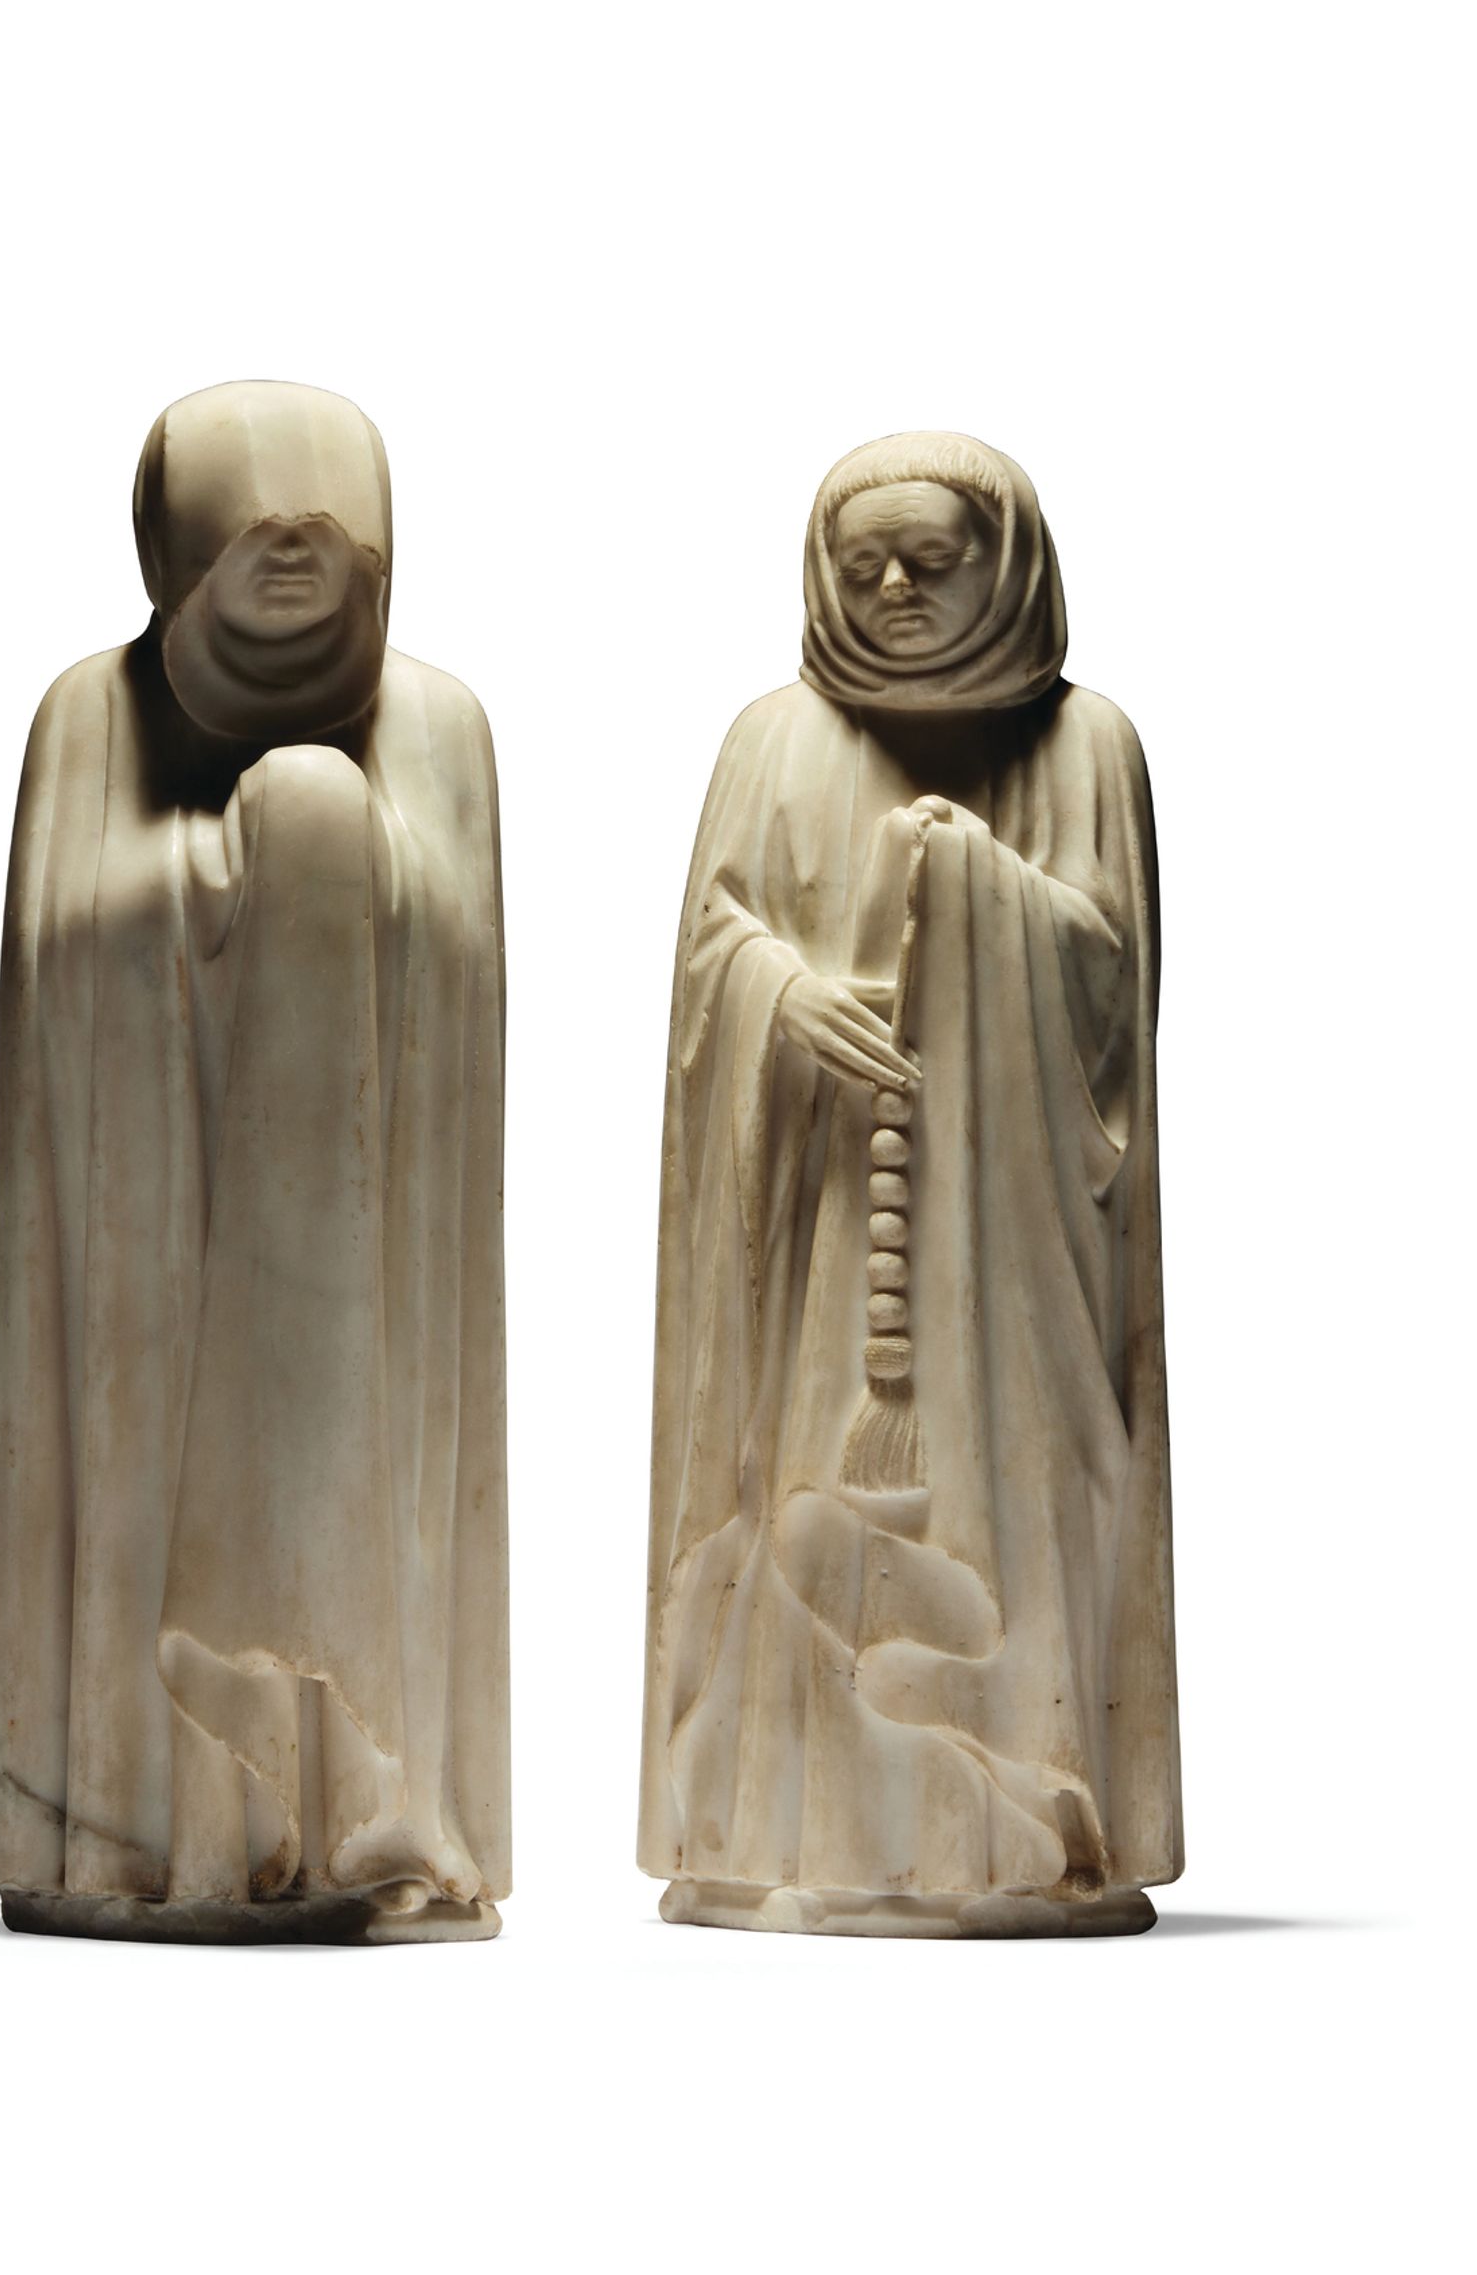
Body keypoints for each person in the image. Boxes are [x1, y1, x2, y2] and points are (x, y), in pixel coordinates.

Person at [0, 381, 508, 1942]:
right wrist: (238, 869)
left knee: (363, 1479)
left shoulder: (437, 724)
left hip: (363, 1231)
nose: (286, 561)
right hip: (154, 1205)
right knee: (141, 1489)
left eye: (322, 538)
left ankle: (358, 1814)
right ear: (173, 549)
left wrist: (327, 840)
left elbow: (462, 953)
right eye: (248, 535)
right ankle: (141, 1832)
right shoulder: (93, 714)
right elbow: (56, 946)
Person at [640, 431, 1180, 1936]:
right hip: (821, 1194)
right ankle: (787, 1820)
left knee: (1007, 1500)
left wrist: (974, 893)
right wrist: (784, 998)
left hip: (1007, 1232)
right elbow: (714, 950)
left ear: (1003, 567)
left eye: (930, 561)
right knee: (801, 1485)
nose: (893, 588)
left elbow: (1116, 989)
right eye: (863, 563)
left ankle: (1017, 1810)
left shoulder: (1087, 745)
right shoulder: (772, 740)